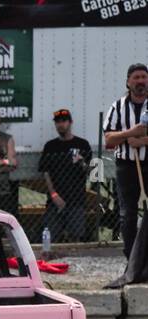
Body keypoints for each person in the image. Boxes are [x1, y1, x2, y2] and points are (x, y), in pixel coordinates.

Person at [103, 63, 148, 258]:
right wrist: (131, 133)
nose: (140, 81)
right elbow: (109, 138)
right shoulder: (118, 107)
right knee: (127, 214)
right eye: (136, 77)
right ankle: (131, 259)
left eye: (144, 77)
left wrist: (144, 140)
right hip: (126, 166)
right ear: (128, 82)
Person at [39, 109, 92, 242]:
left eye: (64, 121)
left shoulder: (82, 144)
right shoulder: (50, 146)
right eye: (57, 122)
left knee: (76, 237)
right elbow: (46, 172)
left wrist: (81, 162)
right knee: (51, 236)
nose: (60, 124)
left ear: (70, 122)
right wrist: (53, 195)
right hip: (55, 201)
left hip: (76, 199)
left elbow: (89, 171)